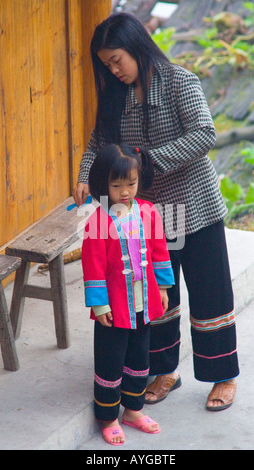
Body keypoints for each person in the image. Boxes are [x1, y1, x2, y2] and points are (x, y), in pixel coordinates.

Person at [74, 12, 239, 413]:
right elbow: (99, 142)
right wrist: (84, 175)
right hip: (145, 218)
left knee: (209, 292)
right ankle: (165, 371)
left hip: (193, 206)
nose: (114, 70)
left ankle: (222, 375)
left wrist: (147, 163)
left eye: (117, 60)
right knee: (153, 293)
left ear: (136, 47)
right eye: (107, 64)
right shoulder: (115, 95)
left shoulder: (179, 80)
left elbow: (205, 133)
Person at [81, 143, 175, 445]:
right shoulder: (98, 222)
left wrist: (161, 288)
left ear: (139, 180)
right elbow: (93, 267)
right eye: (116, 185)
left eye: (131, 184)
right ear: (102, 184)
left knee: (138, 358)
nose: (125, 192)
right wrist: (99, 305)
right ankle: (108, 417)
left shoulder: (148, 213)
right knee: (110, 361)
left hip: (143, 303)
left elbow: (160, 252)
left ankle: (134, 410)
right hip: (113, 308)